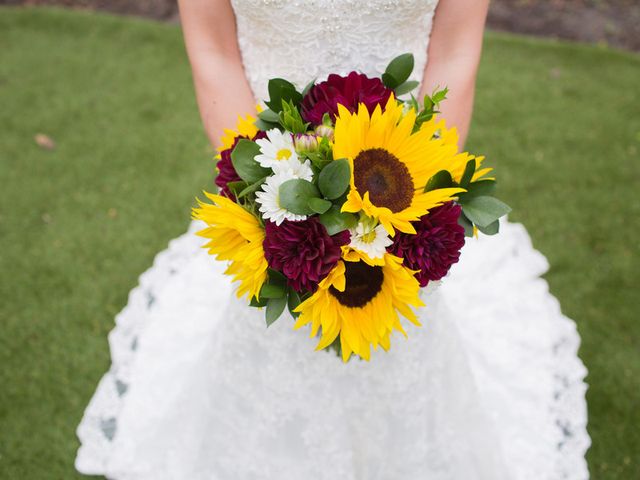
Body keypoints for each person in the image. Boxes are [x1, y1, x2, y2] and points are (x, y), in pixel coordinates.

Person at [76, 0, 591, 478]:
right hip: (274, 183)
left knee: (404, 332)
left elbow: (454, 52)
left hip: (401, 179)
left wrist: (415, 198)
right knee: (274, 326)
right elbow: (213, 49)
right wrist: (265, 192)